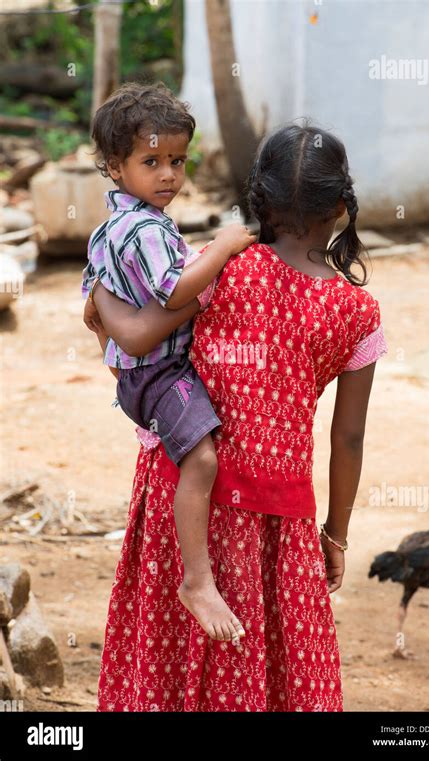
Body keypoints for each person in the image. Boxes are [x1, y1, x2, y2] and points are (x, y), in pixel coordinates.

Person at [84, 122, 388, 711]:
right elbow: (348, 438)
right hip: (281, 521)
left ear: (260, 199)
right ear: (341, 207)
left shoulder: (219, 270)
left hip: (181, 497)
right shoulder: (357, 312)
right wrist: (336, 535)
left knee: (169, 674)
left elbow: (142, 354)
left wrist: (99, 308)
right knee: (278, 676)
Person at [82, 82, 255, 645]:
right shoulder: (148, 228)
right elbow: (176, 292)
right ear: (114, 167)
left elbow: (97, 307)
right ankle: (198, 581)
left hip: (138, 372)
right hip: (159, 373)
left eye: (176, 161)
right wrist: (224, 248)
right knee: (202, 460)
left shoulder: (110, 227)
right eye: (150, 161)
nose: (168, 176)